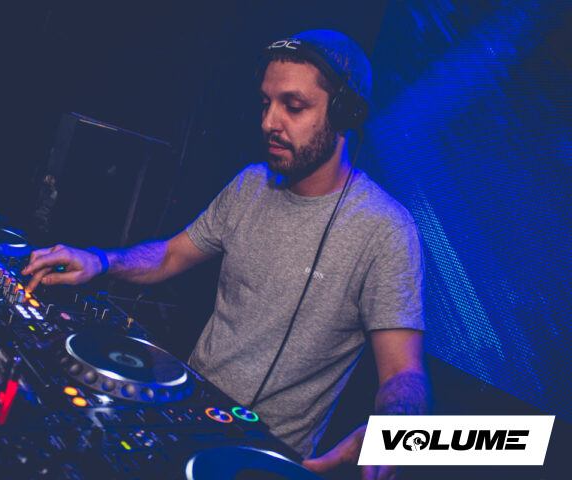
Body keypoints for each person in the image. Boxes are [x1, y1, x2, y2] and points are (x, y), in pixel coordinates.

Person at [22, 29, 430, 478]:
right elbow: (170, 255)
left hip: (259, 462)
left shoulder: (385, 231)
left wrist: (397, 427)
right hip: (182, 414)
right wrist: (101, 261)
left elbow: (403, 372)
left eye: (293, 106)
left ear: (345, 114)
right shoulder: (249, 184)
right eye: (265, 103)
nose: (269, 122)